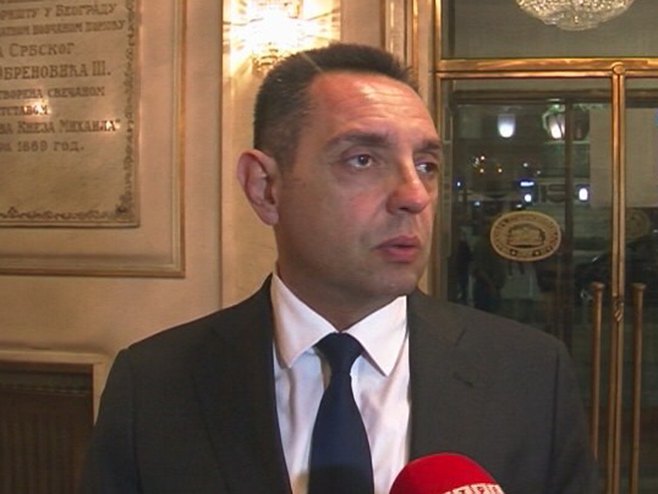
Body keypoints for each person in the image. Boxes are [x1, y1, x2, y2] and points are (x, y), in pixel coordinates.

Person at [80, 43, 599, 493]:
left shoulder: (531, 374)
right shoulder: (152, 384)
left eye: (426, 165)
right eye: (363, 159)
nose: (415, 195)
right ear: (265, 188)